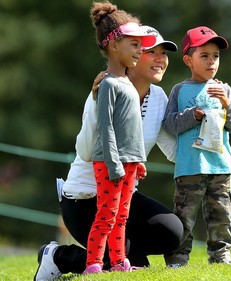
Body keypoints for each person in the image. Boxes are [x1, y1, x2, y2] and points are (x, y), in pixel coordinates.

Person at [33, 21, 182, 281]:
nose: (160, 59)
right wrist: (94, 103)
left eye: (164, 53)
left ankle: (121, 251)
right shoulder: (105, 88)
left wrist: (209, 142)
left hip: (123, 195)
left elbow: (173, 150)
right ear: (131, 53)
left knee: (171, 232)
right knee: (125, 269)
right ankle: (56, 255)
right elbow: (85, 150)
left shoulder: (158, 97)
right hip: (84, 199)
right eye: (150, 51)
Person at [83, 1, 158, 274]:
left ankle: (118, 263)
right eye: (135, 44)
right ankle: (93, 264)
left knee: (122, 216)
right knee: (106, 215)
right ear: (114, 45)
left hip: (129, 162)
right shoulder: (109, 84)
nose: (141, 50)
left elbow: (132, 129)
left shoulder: (127, 82)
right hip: (110, 163)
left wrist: (138, 160)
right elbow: (107, 128)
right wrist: (115, 164)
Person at [162, 26, 231, 268]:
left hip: (221, 166)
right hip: (190, 167)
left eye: (215, 56)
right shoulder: (179, 90)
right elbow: (169, 124)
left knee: (221, 215)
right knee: (184, 216)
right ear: (188, 60)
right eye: (204, 56)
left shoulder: (225, 89)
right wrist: (192, 115)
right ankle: (178, 258)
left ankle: (220, 256)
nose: (211, 62)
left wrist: (227, 105)